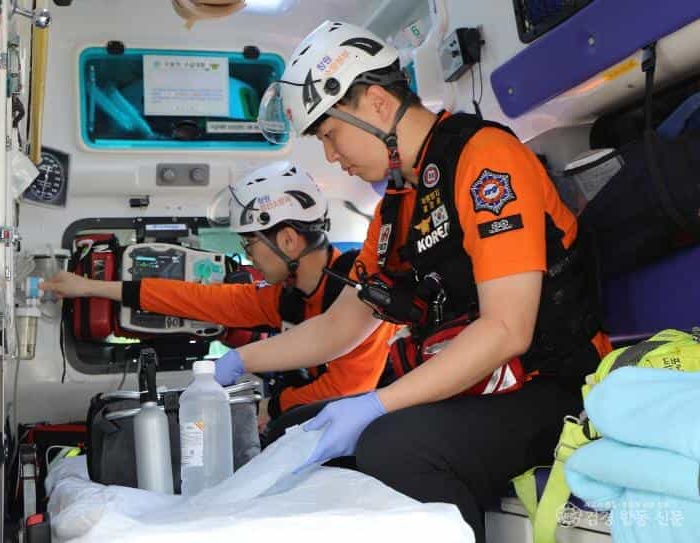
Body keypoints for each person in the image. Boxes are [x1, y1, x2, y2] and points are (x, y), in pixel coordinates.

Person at [211, 21, 612, 541]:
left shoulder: (485, 160)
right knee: (296, 430)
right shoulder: (396, 208)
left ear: (377, 104)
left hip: (555, 387)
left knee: (395, 445)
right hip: (478, 386)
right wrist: (239, 362)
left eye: (330, 135)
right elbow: (339, 327)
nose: (331, 156)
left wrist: (378, 403)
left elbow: (507, 329)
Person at [41, 161, 396, 431]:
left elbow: (348, 388)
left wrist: (269, 408)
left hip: (365, 426)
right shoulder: (287, 296)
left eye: (250, 244)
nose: (248, 255)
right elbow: (198, 299)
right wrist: (92, 287)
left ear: (288, 241)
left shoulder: (361, 293)